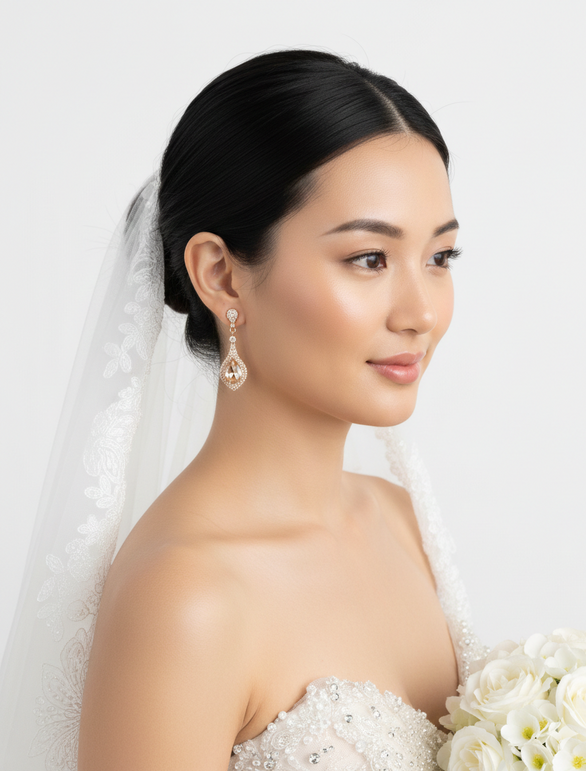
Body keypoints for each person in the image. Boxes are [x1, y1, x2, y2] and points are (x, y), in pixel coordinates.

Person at [0, 48, 487, 770]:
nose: (421, 312)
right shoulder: (184, 598)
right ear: (221, 274)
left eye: (440, 257)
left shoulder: (404, 520)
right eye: (369, 258)